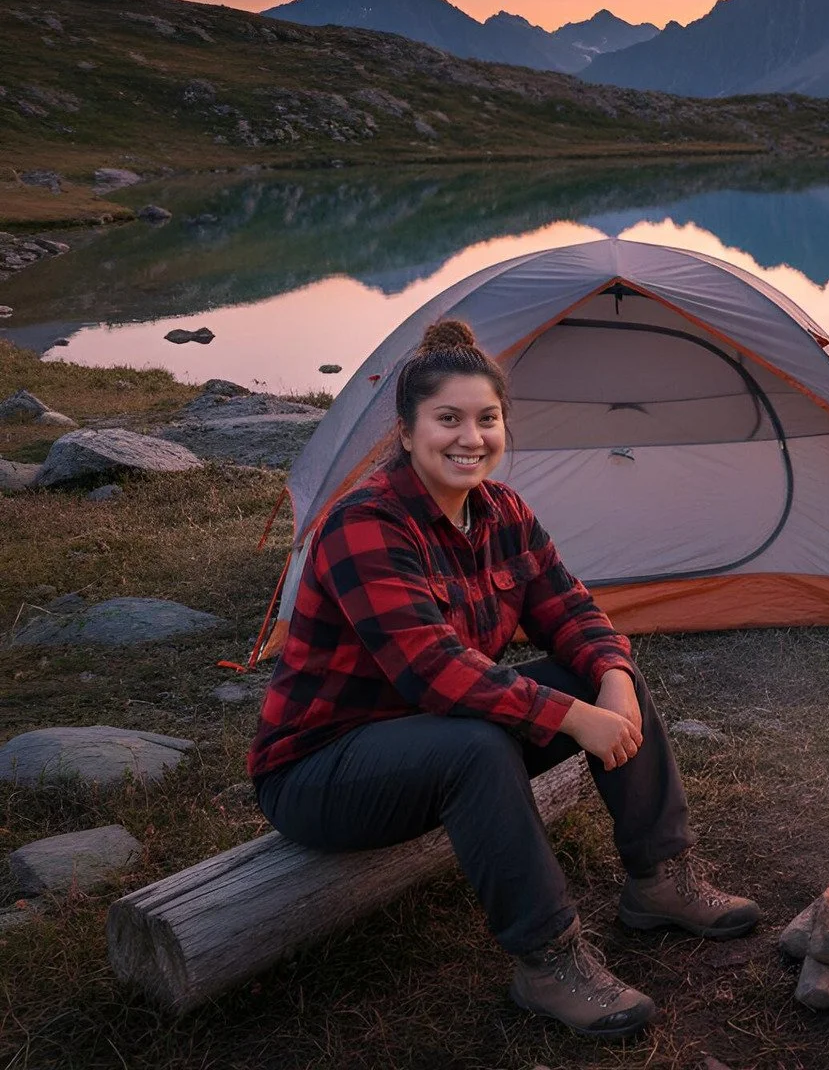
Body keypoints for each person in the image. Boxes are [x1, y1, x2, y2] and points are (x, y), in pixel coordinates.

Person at [249, 320, 758, 1038]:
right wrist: (572, 719)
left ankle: (660, 881)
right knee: (478, 747)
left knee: (608, 682)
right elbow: (432, 670)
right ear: (405, 431)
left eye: (486, 420)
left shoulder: (503, 513)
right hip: (324, 768)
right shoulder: (364, 524)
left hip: (434, 736)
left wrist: (612, 675)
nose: (470, 438)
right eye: (447, 420)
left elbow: (573, 610)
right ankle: (548, 961)